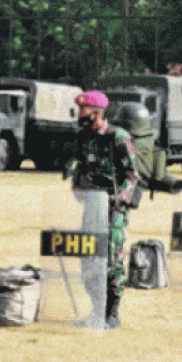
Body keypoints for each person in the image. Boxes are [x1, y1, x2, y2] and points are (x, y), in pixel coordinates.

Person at [68, 90, 139, 329]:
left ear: (97, 112)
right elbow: (79, 165)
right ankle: (95, 309)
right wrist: (77, 184)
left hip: (113, 208)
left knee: (111, 259)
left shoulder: (118, 137)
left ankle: (112, 313)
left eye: (83, 110)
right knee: (88, 257)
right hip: (91, 205)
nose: (79, 114)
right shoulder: (82, 137)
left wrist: (119, 199)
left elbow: (132, 176)